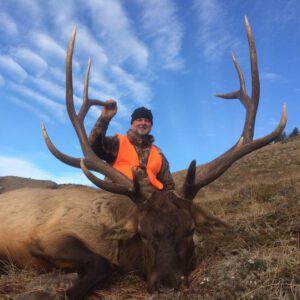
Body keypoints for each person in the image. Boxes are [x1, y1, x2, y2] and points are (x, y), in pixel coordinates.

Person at [88, 99, 175, 193]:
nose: (143, 123)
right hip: (119, 197)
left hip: (152, 202)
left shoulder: (158, 153)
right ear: (132, 123)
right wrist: (104, 119)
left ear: (151, 125)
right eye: (139, 120)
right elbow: (93, 148)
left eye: (147, 120)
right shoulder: (117, 142)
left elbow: (169, 185)